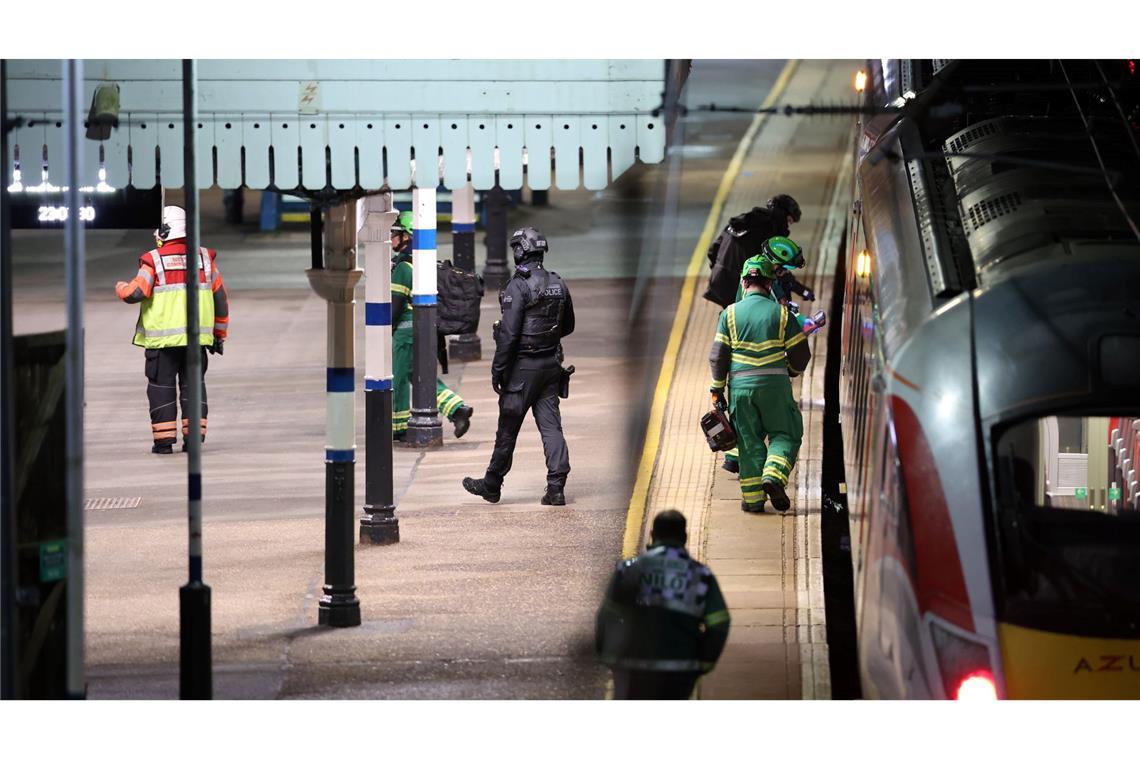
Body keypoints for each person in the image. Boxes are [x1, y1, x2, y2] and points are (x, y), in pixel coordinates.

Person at [462, 226, 574, 505]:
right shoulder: (558, 282)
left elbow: (509, 335)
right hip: (550, 366)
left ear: (520, 251)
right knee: (551, 427)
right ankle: (556, 486)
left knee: (508, 429)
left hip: (522, 371)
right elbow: (568, 325)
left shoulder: (518, 286)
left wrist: (498, 370)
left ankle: (492, 484)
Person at [115, 205, 228, 454]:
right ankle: (194, 441)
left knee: (161, 389)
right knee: (193, 387)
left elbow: (136, 292)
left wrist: (120, 287)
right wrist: (219, 335)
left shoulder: (153, 261)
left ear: (165, 231)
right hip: (197, 342)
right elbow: (221, 299)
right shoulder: (204, 261)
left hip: (163, 345)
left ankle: (164, 443)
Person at [710, 256, 810, 513]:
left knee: (748, 442)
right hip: (775, 387)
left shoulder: (729, 314)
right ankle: (774, 476)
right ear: (769, 283)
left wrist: (717, 389)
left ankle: (753, 501)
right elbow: (801, 354)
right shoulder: (782, 314)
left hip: (740, 390)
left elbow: (718, 356)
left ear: (744, 282)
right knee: (786, 433)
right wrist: (792, 370)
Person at [595, 510, 731, 699]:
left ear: (652, 535)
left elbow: (607, 617)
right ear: (684, 537)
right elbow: (719, 624)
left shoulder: (628, 570)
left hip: (633, 666)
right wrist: (704, 662)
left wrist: (608, 657)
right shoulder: (700, 576)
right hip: (680, 669)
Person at [722, 236, 808, 475]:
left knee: (749, 421)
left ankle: (736, 460)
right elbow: (776, 313)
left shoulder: (753, 275)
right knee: (782, 427)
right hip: (767, 364)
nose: (782, 273)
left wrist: (716, 388)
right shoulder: (762, 280)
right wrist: (800, 324)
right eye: (782, 268)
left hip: (742, 371)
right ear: (773, 263)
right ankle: (771, 473)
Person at [389, 210, 473, 441]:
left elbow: (394, 308)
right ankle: (456, 409)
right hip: (424, 332)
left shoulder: (403, 268)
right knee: (422, 375)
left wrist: (383, 329)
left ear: (408, 236)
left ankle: (399, 428)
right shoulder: (423, 264)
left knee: (399, 379)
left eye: (395, 233)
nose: (391, 237)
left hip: (405, 335)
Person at [704, 194, 809, 308]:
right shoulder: (770, 232)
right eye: (789, 221)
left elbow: (712, 251)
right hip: (741, 287)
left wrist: (720, 271)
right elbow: (777, 268)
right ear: (782, 214)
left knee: (730, 319)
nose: (788, 227)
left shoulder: (741, 221)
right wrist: (799, 289)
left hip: (719, 281)